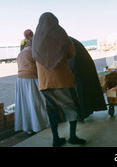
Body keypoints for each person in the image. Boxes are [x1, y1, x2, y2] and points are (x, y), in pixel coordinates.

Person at [32, 12, 85, 147]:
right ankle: (72, 137)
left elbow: (35, 57)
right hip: (62, 80)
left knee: (53, 111)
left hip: (45, 82)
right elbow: (71, 53)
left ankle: (56, 139)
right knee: (72, 108)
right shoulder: (60, 33)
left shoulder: (36, 38)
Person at [14, 38, 50, 134]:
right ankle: (38, 125)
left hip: (20, 80)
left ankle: (27, 127)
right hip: (31, 79)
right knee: (36, 103)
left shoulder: (21, 53)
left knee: (26, 104)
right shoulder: (34, 51)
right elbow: (41, 68)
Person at [68, 36, 107, 120]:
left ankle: (82, 113)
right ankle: (87, 110)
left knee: (80, 90)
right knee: (86, 89)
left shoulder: (66, 41)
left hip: (79, 67)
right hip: (84, 66)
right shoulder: (69, 39)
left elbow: (71, 60)